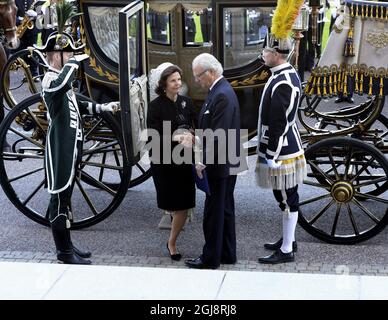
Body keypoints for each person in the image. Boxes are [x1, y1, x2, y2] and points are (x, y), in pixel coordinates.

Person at [34, 1, 119, 264]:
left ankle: (69, 245)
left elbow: (77, 100)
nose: (71, 57)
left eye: (71, 55)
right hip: (60, 149)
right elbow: (58, 88)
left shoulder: (62, 75)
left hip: (70, 148)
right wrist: (73, 65)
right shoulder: (50, 78)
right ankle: (64, 253)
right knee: (59, 201)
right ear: (55, 56)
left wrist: (102, 106)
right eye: (66, 54)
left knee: (66, 200)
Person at [185, 53, 243, 270]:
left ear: (210, 72)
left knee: (214, 212)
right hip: (226, 160)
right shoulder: (219, 91)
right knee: (224, 209)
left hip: (220, 163)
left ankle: (210, 258)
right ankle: (227, 253)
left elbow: (219, 135)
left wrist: (202, 162)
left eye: (199, 76)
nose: (197, 80)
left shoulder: (221, 95)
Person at [255, 32, 307, 264]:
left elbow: (280, 122)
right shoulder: (282, 74)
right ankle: (289, 239)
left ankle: (287, 249)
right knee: (284, 197)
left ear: (276, 54)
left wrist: (272, 154)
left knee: (287, 198)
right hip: (283, 146)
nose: (262, 55)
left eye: (265, 51)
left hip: (282, 149)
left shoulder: (283, 80)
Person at [147, 64, 197, 261]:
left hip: (184, 161)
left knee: (183, 205)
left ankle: (172, 242)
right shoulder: (155, 106)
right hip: (164, 162)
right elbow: (152, 136)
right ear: (164, 85)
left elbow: (196, 126)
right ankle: (172, 220)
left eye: (179, 79)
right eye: (173, 81)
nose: (178, 83)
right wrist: (176, 138)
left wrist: (192, 136)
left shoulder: (187, 102)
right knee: (171, 204)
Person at [14, 0, 39, 79]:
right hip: (21, 28)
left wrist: (36, 14)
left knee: (33, 51)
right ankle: (27, 74)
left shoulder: (34, 0)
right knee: (23, 53)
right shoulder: (15, 1)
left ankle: (34, 73)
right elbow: (12, 13)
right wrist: (19, 20)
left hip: (32, 29)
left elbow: (41, 12)